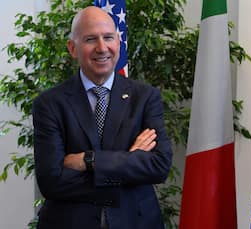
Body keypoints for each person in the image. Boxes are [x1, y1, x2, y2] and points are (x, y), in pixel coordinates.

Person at [32, 6, 172, 229]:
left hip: (136, 222)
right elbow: (52, 181)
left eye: (108, 37)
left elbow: (159, 165)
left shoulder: (145, 97)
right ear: (72, 48)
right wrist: (129, 161)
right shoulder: (49, 104)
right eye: (90, 39)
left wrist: (89, 160)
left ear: (118, 42)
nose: (102, 47)